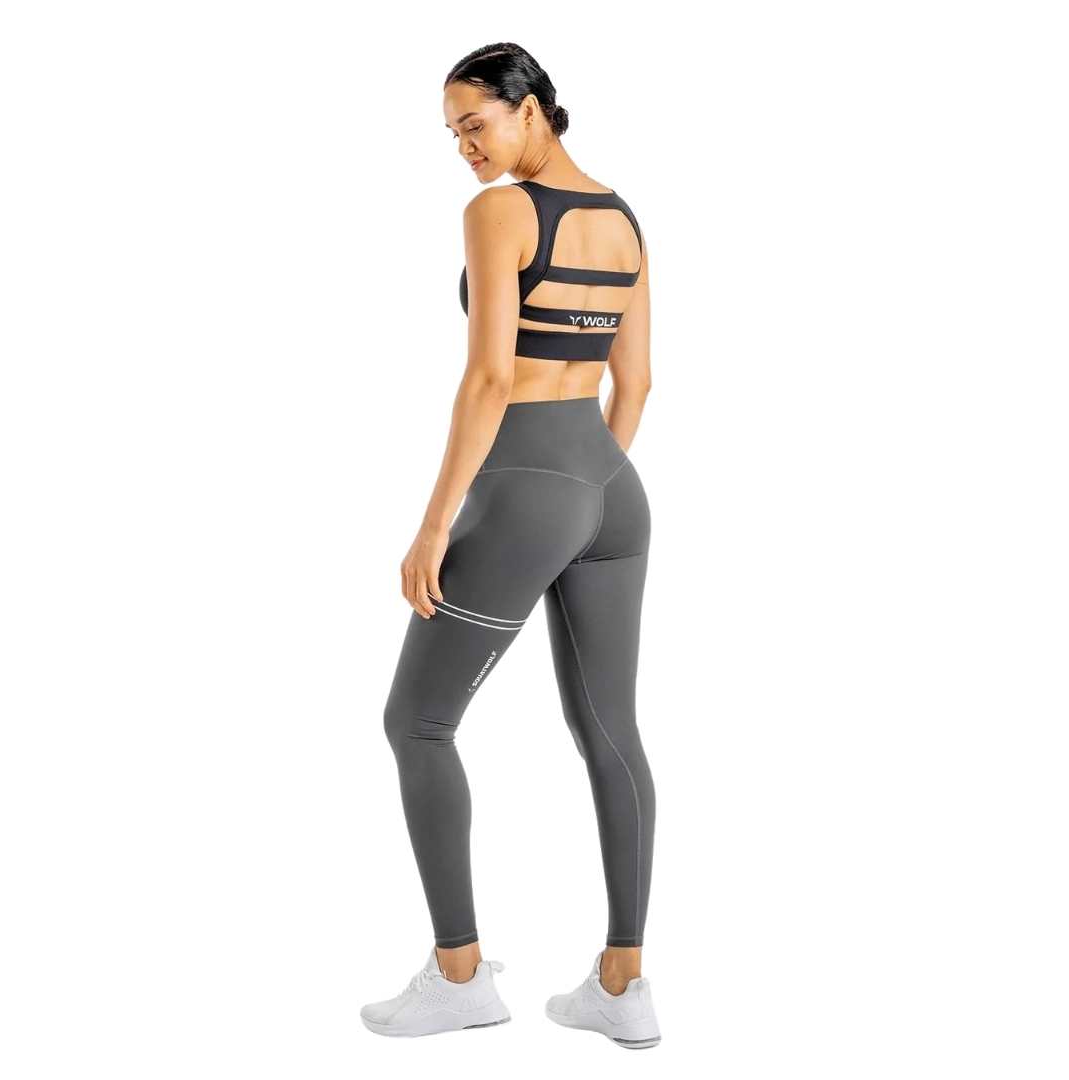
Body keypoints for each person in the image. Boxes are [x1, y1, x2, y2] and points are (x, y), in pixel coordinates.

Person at [359, 43, 661, 1049]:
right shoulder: (621, 219)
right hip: (610, 492)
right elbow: (637, 383)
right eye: (452, 134)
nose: (464, 147)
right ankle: (623, 984)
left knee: (417, 722)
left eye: (475, 123)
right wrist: (582, 487)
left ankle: (458, 976)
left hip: (527, 487)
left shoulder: (500, 213)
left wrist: (437, 522)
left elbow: (490, 378)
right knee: (610, 731)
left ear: (530, 108)